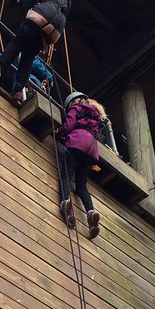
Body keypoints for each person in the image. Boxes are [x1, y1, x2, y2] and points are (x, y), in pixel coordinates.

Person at [0, 0, 74, 101]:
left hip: (41, 15)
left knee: (18, 43)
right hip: (55, 30)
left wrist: (34, 5)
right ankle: (18, 91)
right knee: (28, 55)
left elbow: (27, 2)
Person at [56, 91, 105, 239]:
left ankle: (66, 203)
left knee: (65, 176)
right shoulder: (94, 114)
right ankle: (91, 214)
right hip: (91, 149)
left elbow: (69, 124)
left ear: (73, 102)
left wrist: (60, 132)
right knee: (81, 186)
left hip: (78, 142)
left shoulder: (76, 108)